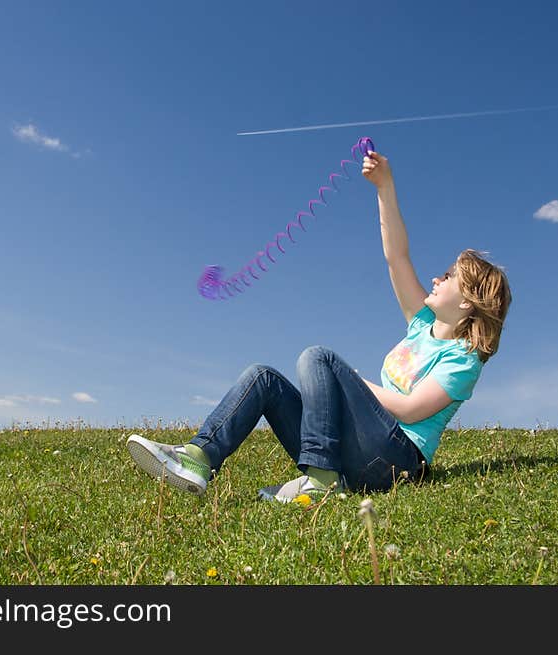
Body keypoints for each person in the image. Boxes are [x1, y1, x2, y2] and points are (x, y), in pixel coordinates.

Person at [127, 148, 513, 502]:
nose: (436, 280)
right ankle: (199, 456)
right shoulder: (420, 325)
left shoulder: (464, 359)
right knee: (263, 377)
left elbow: (411, 411)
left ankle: (320, 480)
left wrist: (353, 384)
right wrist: (385, 186)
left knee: (319, 359)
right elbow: (397, 256)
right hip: (350, 449)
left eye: (448, 278)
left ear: (467, 302)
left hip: (393, 461)